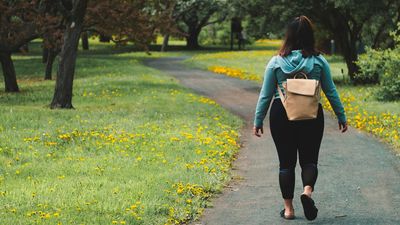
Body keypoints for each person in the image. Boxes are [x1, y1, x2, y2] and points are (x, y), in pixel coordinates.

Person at [253, 15, 348, 221]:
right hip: (312, 115)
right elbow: (331, 91)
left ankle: (288, 210)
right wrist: (341, 116)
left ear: (288, 36)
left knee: (286, 164)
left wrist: (258, 120)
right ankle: (306, 193)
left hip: (281, 113)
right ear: (310, 36)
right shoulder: (319, 61)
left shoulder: (276, 62)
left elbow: (266, 94)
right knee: (309, 160)